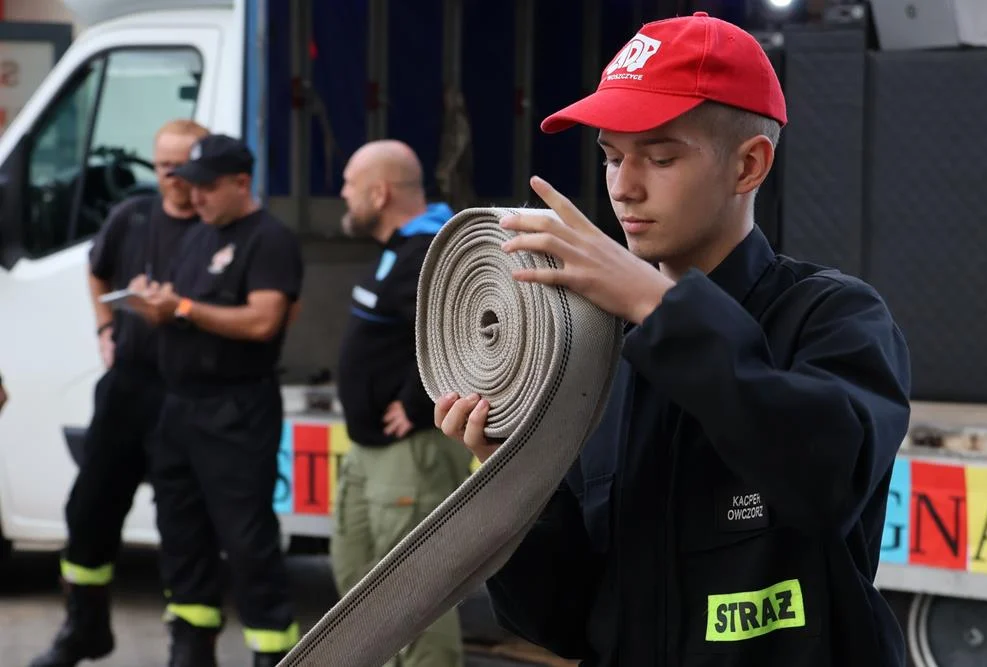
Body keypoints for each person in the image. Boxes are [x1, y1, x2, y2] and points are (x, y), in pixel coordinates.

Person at [435, 12, 911, 667]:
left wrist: (655, 306)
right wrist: (514, 475)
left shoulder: (834, 318)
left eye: (659, 156)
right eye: (610, 156)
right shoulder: (594, 356)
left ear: (749, 164)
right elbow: (559, 621)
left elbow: (824, 478)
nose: (623, 187)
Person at [30, 118, 209, 667]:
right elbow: (96, 270)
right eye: (163, 166)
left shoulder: (218, 228)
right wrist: (106, 328)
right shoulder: (130, 215)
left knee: (184, 525)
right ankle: (84, 628)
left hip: (188, 393)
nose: (173, 177)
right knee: (89, 510)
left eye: (184, 166)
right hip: (127, 385)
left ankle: (191, 647)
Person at [127, 134, 304, 667]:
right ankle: (190, 649)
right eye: (190, 186)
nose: (195, 198)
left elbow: (263, 320)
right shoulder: (198, 237)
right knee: (180, 536)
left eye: (206, 187)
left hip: (236, 411)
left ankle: (273, 653)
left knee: (248, 543)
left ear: (241, 183)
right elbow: (182, 304)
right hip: (179, 407)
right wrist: (153, 303)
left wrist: (181, 307)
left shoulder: (268, 238)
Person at [331, 139, 471, 667]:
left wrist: (417, 402)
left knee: (412, 600)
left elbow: (459, 328)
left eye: (348, 184)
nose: (342, 194)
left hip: (410, 454)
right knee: (359, 587)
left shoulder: (427, 250)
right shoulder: (400, 246)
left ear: (379, 191)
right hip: (371, 453)